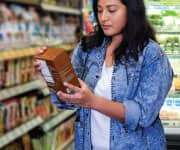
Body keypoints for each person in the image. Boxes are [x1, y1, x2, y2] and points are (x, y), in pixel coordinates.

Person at [34, 0, 173, 149]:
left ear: (132, 11)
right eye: (99, 10)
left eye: (111, 10)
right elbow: (70, 100)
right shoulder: (87, 48)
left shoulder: (151, 55)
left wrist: (92, 101)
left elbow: (143, 116)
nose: (103, 17)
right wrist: (52, 73)